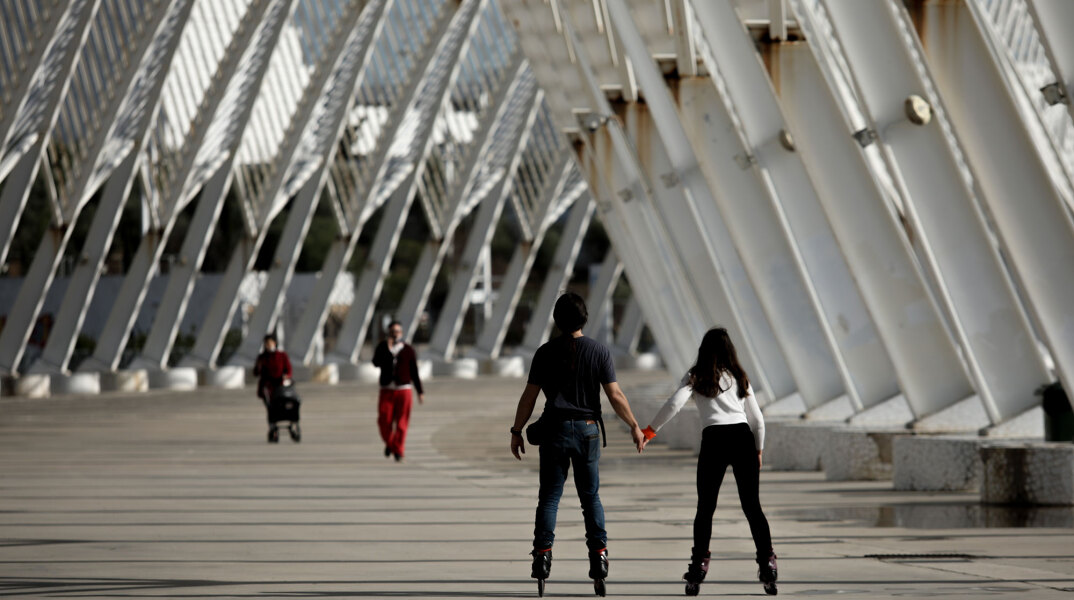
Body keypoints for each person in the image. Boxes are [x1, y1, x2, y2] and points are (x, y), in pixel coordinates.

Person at [510, 292, 646, 597]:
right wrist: (634, 426)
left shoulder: (544, 353)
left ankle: (542, 555)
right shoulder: (599, 352)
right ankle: (598, 557)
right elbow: (615, 396)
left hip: (555, 431)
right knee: (591, 499)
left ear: (557, 320)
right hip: (588, 432)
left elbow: (529, 397)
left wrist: (516, 430)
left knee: (549, 498)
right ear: (584, 318)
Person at [640, 327, 778, 596]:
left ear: (703, 349)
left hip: (713, 440)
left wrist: (649, 431)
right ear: (730, 350)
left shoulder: (696, 376)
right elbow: (758, 420)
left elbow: (674, 404)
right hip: (742, 439)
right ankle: (768, 563)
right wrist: (758, 450)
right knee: (752, 507)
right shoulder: (739, 377)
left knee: (706, 508)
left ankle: (699, 564)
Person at [372, 321, 424, 462]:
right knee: (384, 420)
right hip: (387, 390)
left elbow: (414, 371)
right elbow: (375, 362)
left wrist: (420, 391)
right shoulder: (382, 347)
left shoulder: (408, 349)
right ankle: (391, 443)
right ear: (388, 333)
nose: (395, 334)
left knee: (402, 423)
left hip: (403, 390)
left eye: (397, 331)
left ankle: (398, 450)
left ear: (401, 333)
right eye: (392, 332)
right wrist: (387, 348)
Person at [253, 334, 293, 439]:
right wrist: (258, 367)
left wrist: (286, 376)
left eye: (270, 343)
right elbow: (256, 373)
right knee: (270, 408)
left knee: (282, 406)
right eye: (266, 343)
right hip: (267, 387)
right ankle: (273, 428)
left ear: (274, 343)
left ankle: (284, 424)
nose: (268, 345)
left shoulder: (282, 355)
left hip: (280, 386)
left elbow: (288, 369)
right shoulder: (262, 357)